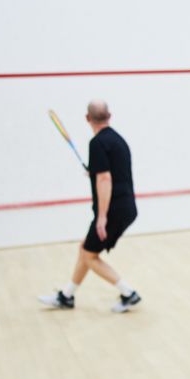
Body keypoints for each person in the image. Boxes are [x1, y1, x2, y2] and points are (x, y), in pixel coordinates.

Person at [39, 100, 141, 313]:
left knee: (89, 255)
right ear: (109, 116)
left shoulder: (97, 143)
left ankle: (128, 293)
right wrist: (95, 171)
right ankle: (67, 296)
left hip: (113, 210)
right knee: (85, 248)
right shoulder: (118, 140)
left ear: (88, 118)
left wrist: (102, 217)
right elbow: (111, 172)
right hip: (127, 207)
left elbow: (105, 179)